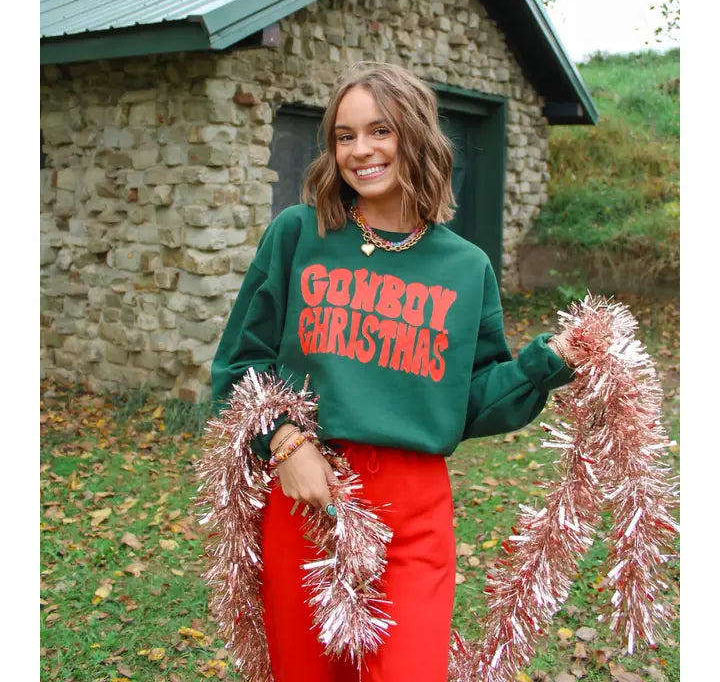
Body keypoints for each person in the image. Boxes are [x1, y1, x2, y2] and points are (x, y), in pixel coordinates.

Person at [211, 61, 576, 682]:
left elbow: (470, 400)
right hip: (307, 497)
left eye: (379, 130)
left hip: (413, 512)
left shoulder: (465, 267)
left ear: (416, 136)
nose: (360, 150)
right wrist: (284, 443)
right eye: (344, 136)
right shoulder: (299, 234)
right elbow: (239, 364)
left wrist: (547, 364)